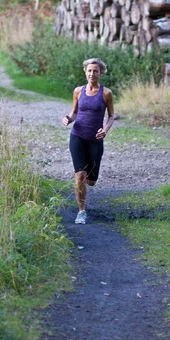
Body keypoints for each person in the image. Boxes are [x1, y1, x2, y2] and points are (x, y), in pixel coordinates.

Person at [62, 58, 115, 224]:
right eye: (89, 71)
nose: (92, 74)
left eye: (95, 71)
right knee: (80, 176)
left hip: (95, 140)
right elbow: (75, 112)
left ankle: (85, 192)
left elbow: (112, 116)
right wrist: (68, 118)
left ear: (100, 73)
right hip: (77, 136)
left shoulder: (106, 93)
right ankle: (81, 212)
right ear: (85, 72)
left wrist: (104, 131)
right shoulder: (78, 91)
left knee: (91, 181)